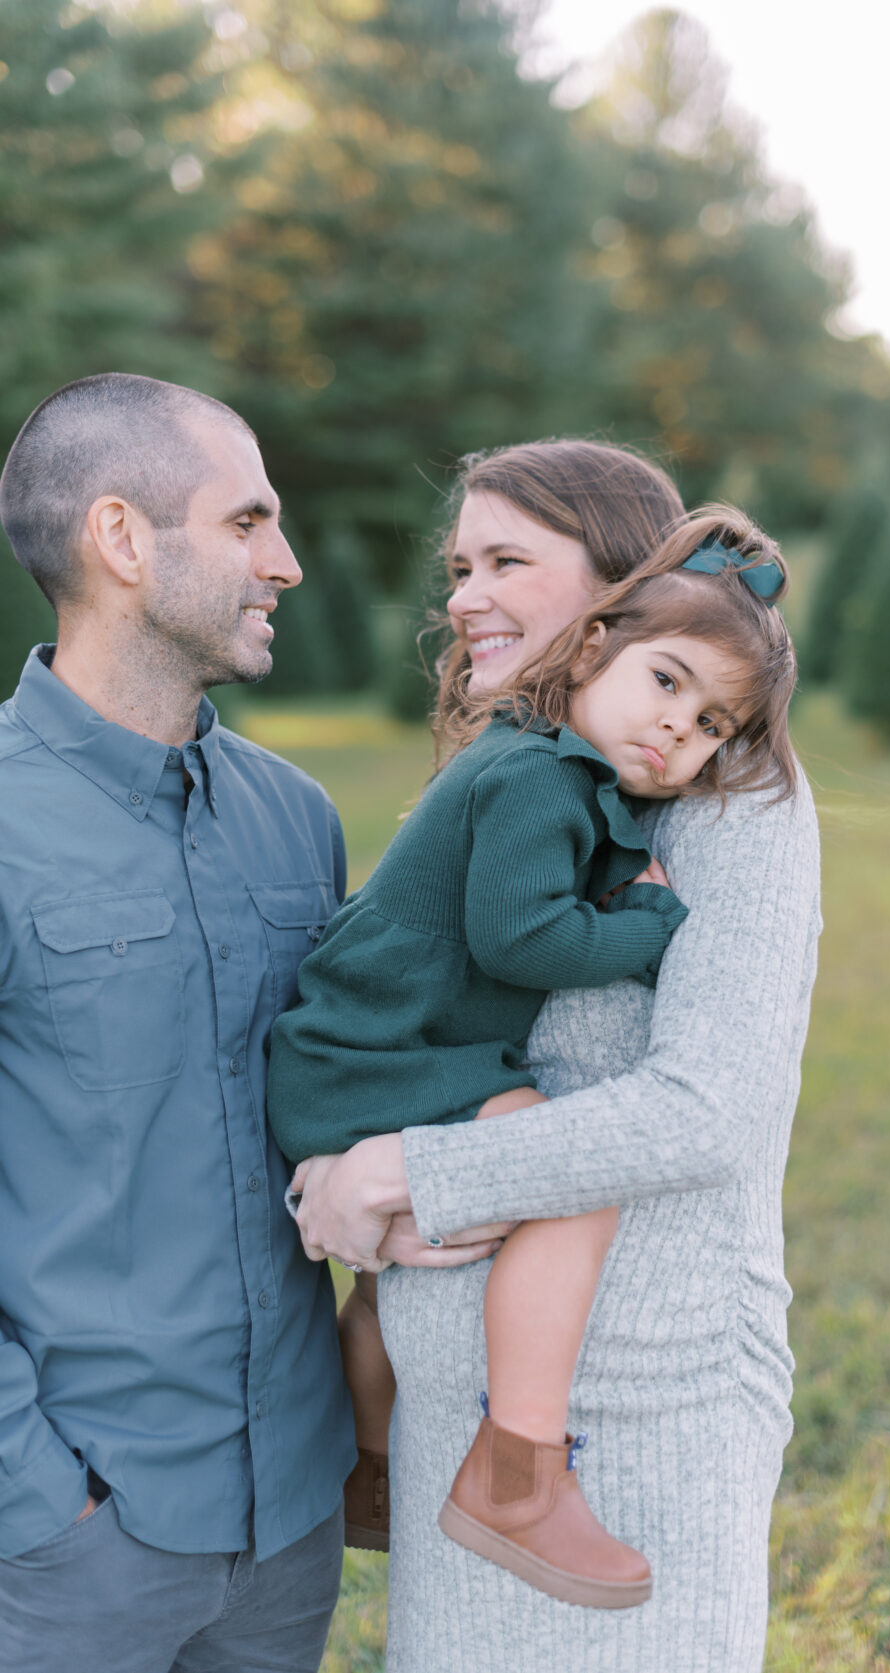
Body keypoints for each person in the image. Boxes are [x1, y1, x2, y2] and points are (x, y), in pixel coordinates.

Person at [290, 440, 823, 1673]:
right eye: (459, 565)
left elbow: (705, 1110)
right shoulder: (537, 772)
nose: (463, 595)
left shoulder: (730, 808)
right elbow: (417, 1030)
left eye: (505, 561)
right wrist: (344, 1184)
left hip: (630, 1422)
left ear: (614, 596)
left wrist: (407, 1173)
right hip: (447, 1436)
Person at [0, 373, 360, 1673]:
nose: (290, 562)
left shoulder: (295, 817)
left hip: (290, 1519)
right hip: (68, 1547)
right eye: (249, 521)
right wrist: (40, 1509)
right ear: (122, 540)